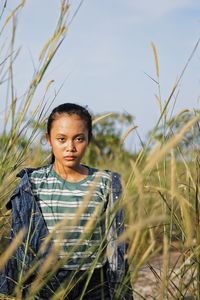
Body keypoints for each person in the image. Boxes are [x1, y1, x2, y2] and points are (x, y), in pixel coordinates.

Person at [0, 103, 133, 299]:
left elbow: (115, 240)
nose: (70, 147)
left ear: (89, 139)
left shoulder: (105, 182)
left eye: (79, 139)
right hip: (46, 282)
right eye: (61, 139)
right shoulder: (33, 183)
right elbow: (21, 240)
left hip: (93, 281)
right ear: (49, 140)